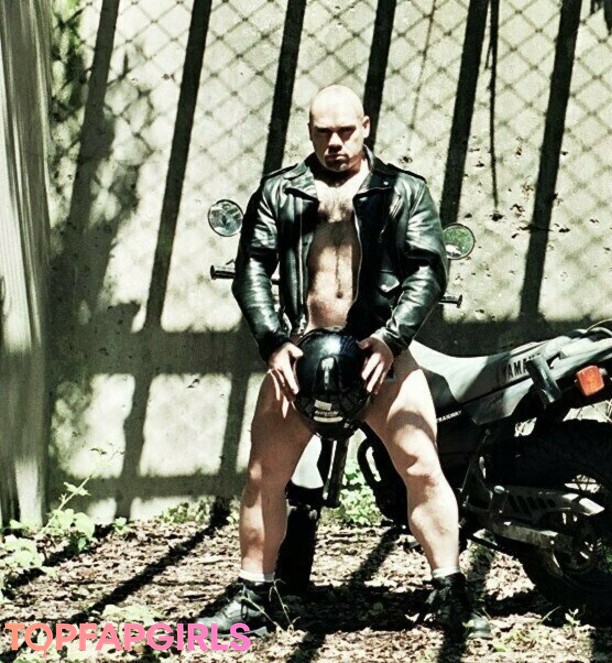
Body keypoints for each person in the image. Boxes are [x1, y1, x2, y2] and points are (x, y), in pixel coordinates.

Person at [199, 84, 490, 640]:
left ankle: (449, 589)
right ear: (309, 132)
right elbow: (253, 268)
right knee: (264, 474)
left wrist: (391, 339)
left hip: (375, 353)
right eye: (322, 132)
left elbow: (427, 270)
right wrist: (273, 342)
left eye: (345, 131)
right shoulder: (279, 191)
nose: (334, 143)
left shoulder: (403, 190)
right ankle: (254, 596)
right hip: (299, 351)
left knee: (422, 465)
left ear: (366, 126)